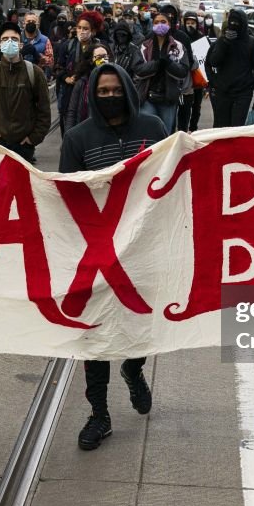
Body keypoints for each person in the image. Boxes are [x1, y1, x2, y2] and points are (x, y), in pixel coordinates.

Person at [59, 63, 169, 450]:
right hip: (98, 252)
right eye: (102, 92)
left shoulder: (154, 130)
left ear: (127, 89)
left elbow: (173, 177)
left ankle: (134, 368)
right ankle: (99, 414)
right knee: (97, 336)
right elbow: (68, 197)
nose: (110, 97)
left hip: (144, 248)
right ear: (93, 94)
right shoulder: (77, 138)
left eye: (115, 90)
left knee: (143, 324)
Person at [0, 22, 51, 162]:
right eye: (5, 39)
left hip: (24, 147)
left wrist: (33, 138)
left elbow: (44, 110)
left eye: (14, 39)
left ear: (21, 45)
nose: (9, 42)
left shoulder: (34, 73)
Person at [204, 8, 254, 128]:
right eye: (232, 22)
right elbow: (212, 62)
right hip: (221, 92)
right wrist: (225, 42)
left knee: (236, 129)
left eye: (237, 23)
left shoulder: (252, 43)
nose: (234, 25)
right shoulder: (221, 41)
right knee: (221, 128)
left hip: (243, 93)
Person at [134, 10, 190, 133]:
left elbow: (183, 71)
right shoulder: (144, 46)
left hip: (168, 99)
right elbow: (138, 69)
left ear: (169, 25)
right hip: (147, 98)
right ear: (153, 25)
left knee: (165, 133)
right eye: (157, 22)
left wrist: (168, 64)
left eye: (163, 22)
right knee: (149, 132)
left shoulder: (178, 47)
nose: (160, 24)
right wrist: (156, 64)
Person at [54, 11, 104, 134]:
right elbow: (58, 68)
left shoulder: (99, 48)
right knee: (68, 126)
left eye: (86, 28)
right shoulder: (67, 46)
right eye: (79, 28)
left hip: (89, 93)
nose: (82, 31)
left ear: (93, 31)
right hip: (68, 93)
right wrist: (67, 78)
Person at [63, 43, 113, 131]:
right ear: (90, 61)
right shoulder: (82, 83)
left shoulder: (115, 80)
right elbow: (72, 111)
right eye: (98, 57)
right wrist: (69, 135)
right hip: (86, 131)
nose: (103, 60)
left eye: (105, 56)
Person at [178, 11, 206, 132]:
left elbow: (205, 59)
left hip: (198, 78)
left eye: (193, 23)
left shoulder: (201, 37)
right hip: (184, 79)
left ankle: (193, 128)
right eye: (188, 22)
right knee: (183, 105)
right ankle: (182, 129)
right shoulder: (180, 38)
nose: (190, 25)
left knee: (196, 106)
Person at [21, 10, 55, 78]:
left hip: (37, 76)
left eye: (33, 22)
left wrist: (38, 55)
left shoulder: (45, 40)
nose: (31, 23)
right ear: (24, 24)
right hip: (20, 75)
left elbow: (50, 61)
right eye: (28, 21)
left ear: (38, 24)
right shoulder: (17, 38)